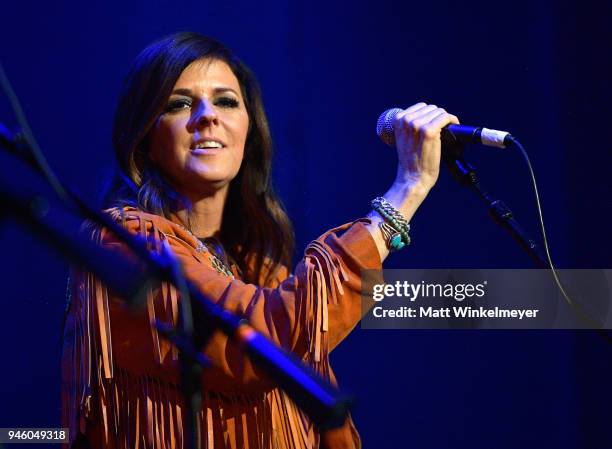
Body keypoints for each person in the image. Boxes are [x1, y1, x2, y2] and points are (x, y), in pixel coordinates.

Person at [61, 32, 459, 449]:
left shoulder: (255, 267)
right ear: (145, 138)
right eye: (179, 104)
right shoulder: (123, 245)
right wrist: (406, 191)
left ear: (249, 129)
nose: (207, 116)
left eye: (226, 101)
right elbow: (270, 338)